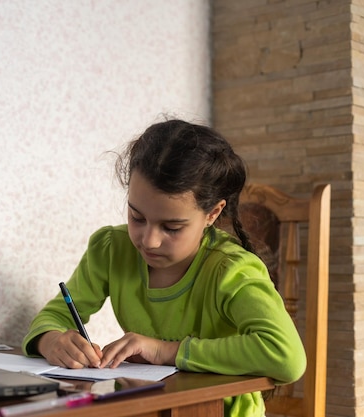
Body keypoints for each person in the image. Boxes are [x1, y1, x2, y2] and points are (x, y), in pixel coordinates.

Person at [21, 118, 306, 417]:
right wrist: (50, 340)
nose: (149, 241)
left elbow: (286, 357)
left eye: (171, 227)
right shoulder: (111, 249)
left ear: (212, 213)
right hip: (142, 407)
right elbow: (55, 315)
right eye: (137, 217)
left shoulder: (231, 269)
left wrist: (164, 351)